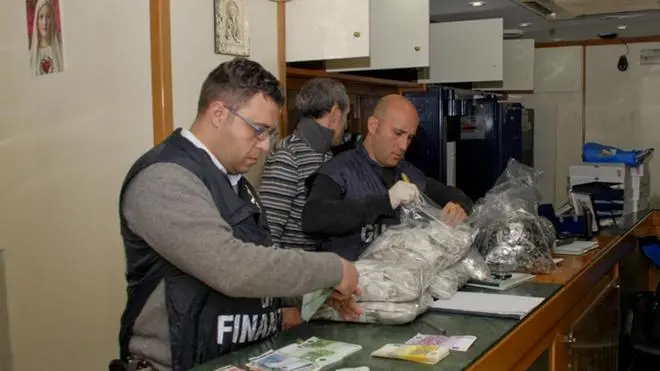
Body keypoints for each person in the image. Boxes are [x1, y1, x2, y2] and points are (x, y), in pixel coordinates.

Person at [115, 58, 361, 371]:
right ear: (219, 113)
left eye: (271, 134)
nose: (266, 147)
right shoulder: (164, 178)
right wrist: (332, 269)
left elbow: (264, 257)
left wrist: (304, 298)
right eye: (259, 131)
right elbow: (232, 266)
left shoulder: (237, 184)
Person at [302, 94, 473, 261]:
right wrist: (385, 202)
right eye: (398, 133)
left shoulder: (406, 172)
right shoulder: (339, 171)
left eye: (409, 137)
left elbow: (451, 194)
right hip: (352, 282)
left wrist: (458, 206)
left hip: (398, 280)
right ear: (373, 125)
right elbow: (313, 218)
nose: (403, 145)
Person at [260, 77, 349, 252]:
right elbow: (268, 234)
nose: (346, 124)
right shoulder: (287, 156)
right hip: (295, 272)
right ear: (335, 113)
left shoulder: (328, 154)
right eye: (346, 115)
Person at [29, 0, 64, 76]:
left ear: (52, 20)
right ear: (36, 21)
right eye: (41, 17)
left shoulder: (61, 51)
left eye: (48, 17)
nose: (45, 22)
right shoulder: (30, 57)